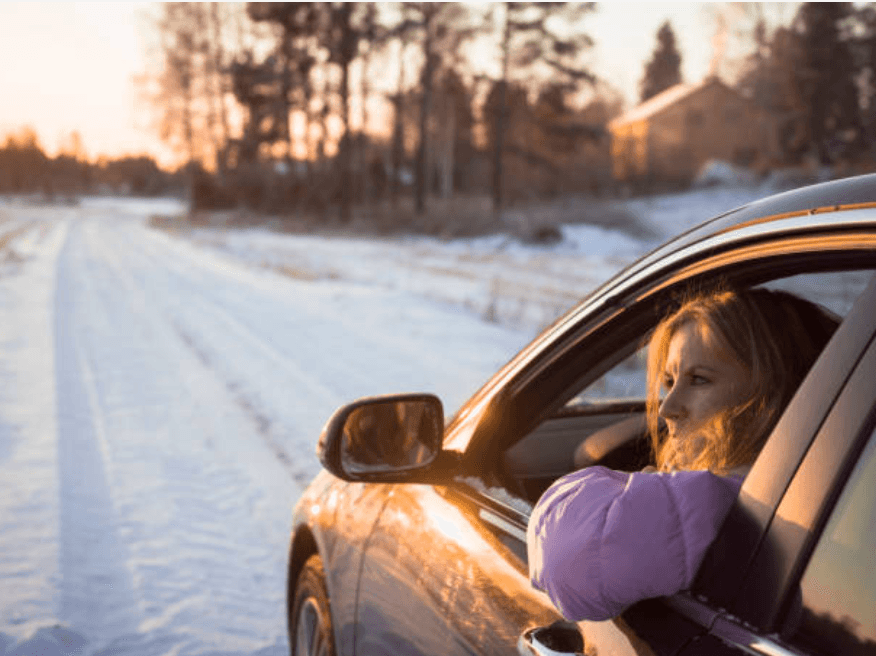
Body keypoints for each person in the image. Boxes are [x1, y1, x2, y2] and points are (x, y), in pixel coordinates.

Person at [527, 287, 839, 622]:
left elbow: (567, 562)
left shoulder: (713, 499)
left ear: (775, 393)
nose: (668, 409)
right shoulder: (823, 492)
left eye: (699, 380)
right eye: (670, 381)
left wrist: (653, 495)